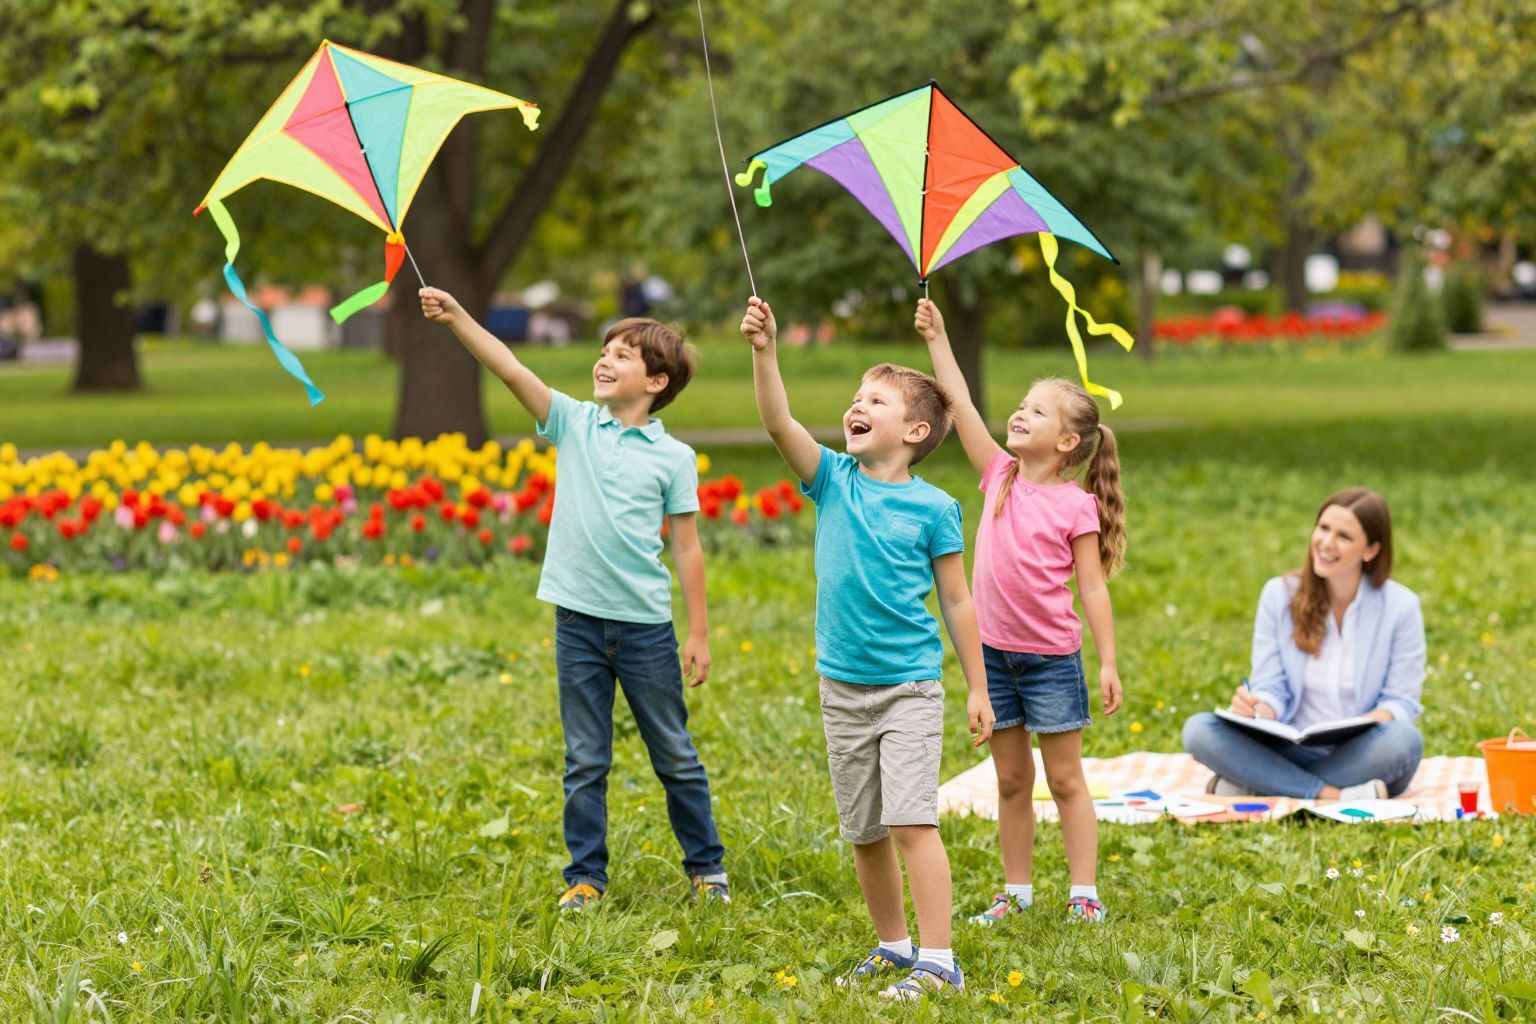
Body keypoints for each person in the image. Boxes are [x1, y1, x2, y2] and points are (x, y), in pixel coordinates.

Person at [421, 287, 728, 910]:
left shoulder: (674, 458)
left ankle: (707, 868)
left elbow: (688, 548)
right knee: (585, 759)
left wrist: (697, 632)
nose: (605, 360)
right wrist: (459, 317)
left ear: (656, 380)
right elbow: (509, 366)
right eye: (604, 350)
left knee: (674, 753)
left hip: (644, 629)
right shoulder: (573, 421)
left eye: (623, 354)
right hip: (578, 623)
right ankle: (585, 878)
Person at [740, 296, 993, 1002]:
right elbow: (775, 420)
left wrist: (977, 686)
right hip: (842, 687)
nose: (856, 405)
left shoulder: (935, 509)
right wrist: (766, 350)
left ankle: (938, 960)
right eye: (856, 397)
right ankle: (892, 944)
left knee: (912, 822)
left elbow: (958, 601)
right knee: (864, 830)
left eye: (874, 400)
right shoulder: (831, 481)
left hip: (909, 687)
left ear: (913, 430)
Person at [917, 299, 1125, 925]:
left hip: (1053, 662)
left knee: (1064, 781)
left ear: (1066, 442)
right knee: (1010, 781)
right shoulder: (999, 474)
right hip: (993, 659)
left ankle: (1084, 892)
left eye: (1036, 411)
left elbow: (1092, 590)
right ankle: (1018, 892)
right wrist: (939, 337)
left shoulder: (1075, 506)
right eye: (1022, 403)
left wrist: (1108, 660)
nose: (1019, 412)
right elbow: (959, 400)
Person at [1182, 488, 1425, 800]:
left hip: (1359, 751)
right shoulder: (1279, 595)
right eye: (1323, 528)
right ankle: (1331, 794)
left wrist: (1356, 726)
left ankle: (1258, 785)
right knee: (1199, 730)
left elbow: (1400, 702)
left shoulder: (1401, 606)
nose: (1326, 543)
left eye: (1344, 536)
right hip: (1287, 748)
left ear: (1371, 550)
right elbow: (1271, 686)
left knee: (1404, 740)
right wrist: (1257, 709)